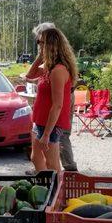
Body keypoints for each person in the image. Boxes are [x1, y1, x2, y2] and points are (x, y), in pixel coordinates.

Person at [25, 22, 78, 172]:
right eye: (38, 42)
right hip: (40, 120)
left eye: (42, 43)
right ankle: (45, 185)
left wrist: (47, 134)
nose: (39, 46)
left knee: (52, 164)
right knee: (35, 157)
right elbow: (30, 76)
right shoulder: (47, 67)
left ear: (52, 45)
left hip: (51, 125)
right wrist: (40, 56)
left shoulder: (58, 70)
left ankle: (56, 191)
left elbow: (58, 105)